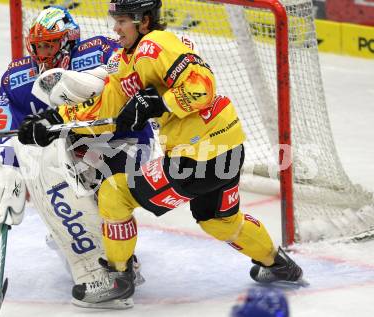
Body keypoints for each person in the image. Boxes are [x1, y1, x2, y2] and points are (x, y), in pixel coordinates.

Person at [17, 0, 304, 308]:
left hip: (197, 158)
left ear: (144, 21)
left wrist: (158, 103)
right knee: (218, 221)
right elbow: (105, 108)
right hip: (227, 149)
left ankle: (117, 278)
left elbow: (202, 86)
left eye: (123, 21)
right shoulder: (124, 60)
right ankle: (279, 265)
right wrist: (57, 120)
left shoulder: (156, 45)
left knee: (115, 194)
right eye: (116, 20)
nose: (116, 28)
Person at [0, 5, 152, 310]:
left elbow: (131, 77)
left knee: (107, 199)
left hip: (124, 142)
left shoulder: (100, 50)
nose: (43, 52)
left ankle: (118, 263)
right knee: (46, 176)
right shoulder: (16, 79)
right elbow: (7, 131)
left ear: (68, 40)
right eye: (38, 46)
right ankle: (96, 259)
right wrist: (6, 171)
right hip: (76, 149)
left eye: (50, 44)